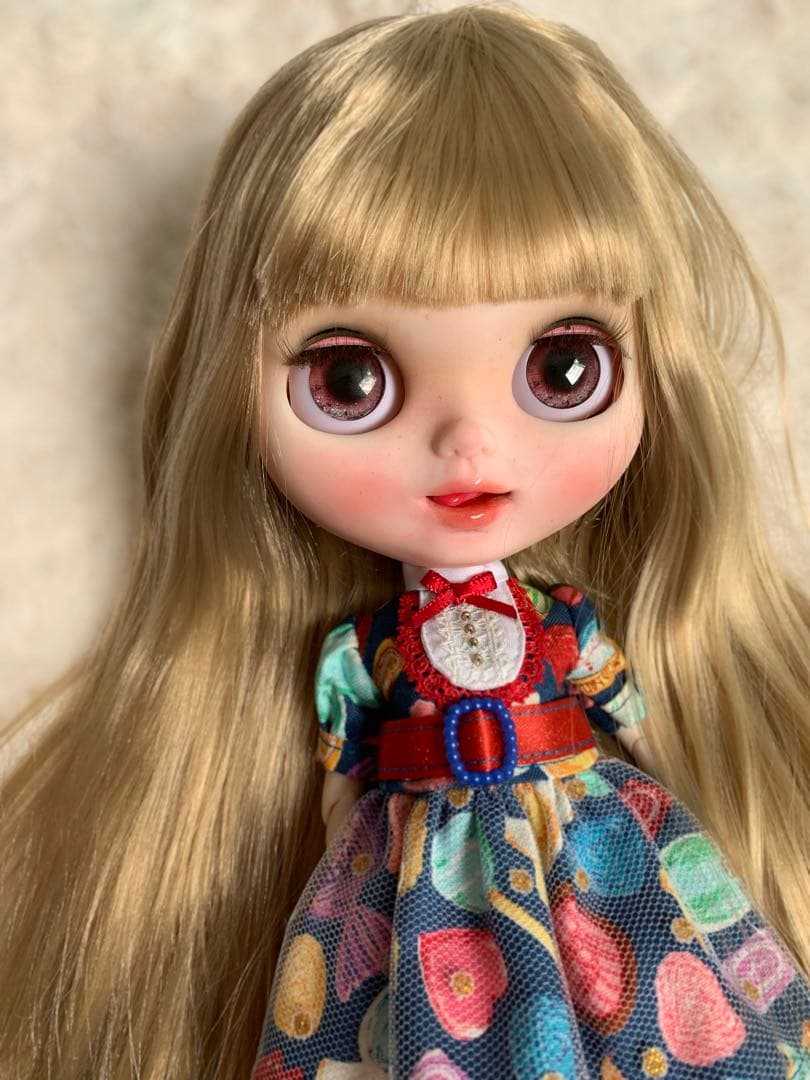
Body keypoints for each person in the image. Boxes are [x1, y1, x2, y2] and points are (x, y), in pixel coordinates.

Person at [2, 5, 809, 1079]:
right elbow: (339, 777)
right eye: (350, 380)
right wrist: (345, 853)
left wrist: (664, 786)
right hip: (415, 870)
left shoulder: (565, 628)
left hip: (592, 846)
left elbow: (640, 722)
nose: (470, 442)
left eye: (561, 370)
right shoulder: (364, 653)